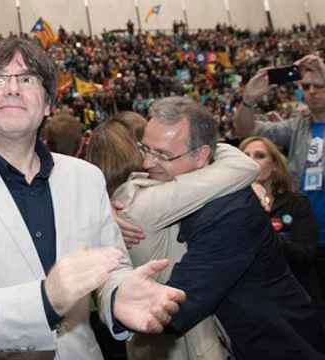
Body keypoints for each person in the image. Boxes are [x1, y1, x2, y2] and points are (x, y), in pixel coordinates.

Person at [0, 38, 185, 359]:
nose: (13, 88)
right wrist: (42, 303)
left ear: (48, 104)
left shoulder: (86, 179)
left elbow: (109, 269)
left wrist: (117, 296)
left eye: (28, 78)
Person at [122, 96, 325, 359]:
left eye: (162, 154)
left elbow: (179, 307)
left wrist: (117, 301)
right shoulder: (199, 190)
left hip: (276, 346)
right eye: (145, 149)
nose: (148, 163)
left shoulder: (230, 213)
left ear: (201, 155)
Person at [87, 119, 259, 359]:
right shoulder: (151, 200)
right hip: (186, 341)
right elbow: (243, 167)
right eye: (147, 148)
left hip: (143, 342)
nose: (152, 157)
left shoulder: (108, 207)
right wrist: (201, 145)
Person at [233, 53, 325, 299]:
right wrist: (249, 101)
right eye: (306, 86)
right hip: (304, 236)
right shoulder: (297, 126)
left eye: (320, 85)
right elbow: (246, 131)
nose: (313, 91)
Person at [240, 136, 323, 303]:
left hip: (293, 297)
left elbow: (304, 256)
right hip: (249, 298)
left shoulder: (297, 203)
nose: (251, 161)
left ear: (275, 166)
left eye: (259, 156)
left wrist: (262, 223)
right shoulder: (229, 206)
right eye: (245, 156)